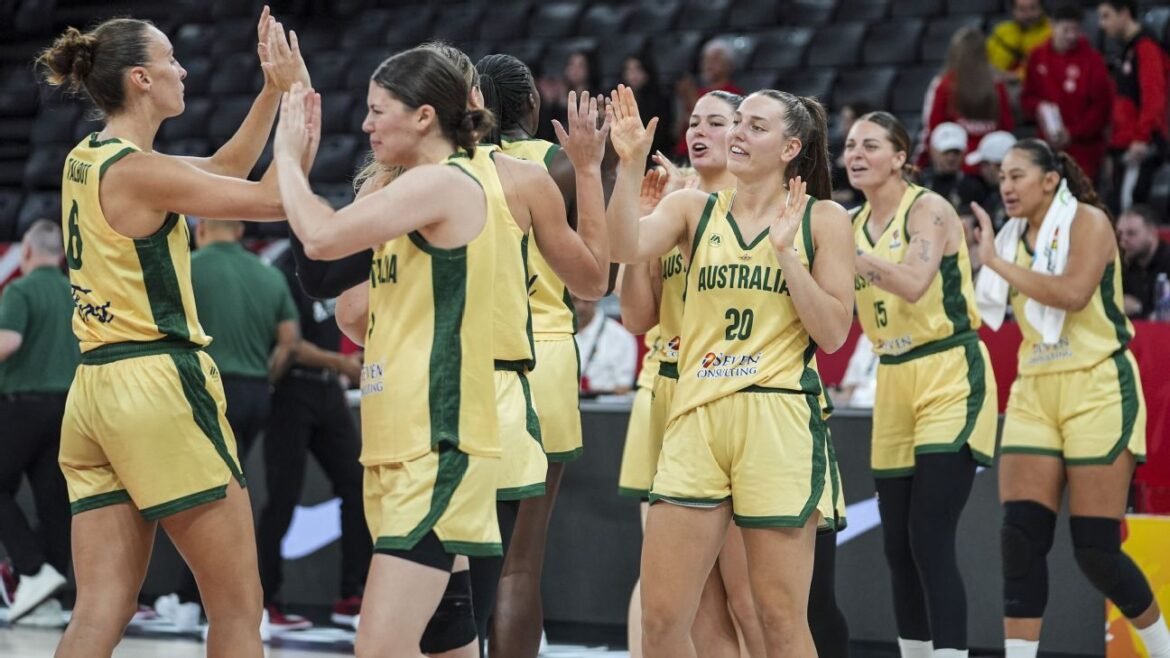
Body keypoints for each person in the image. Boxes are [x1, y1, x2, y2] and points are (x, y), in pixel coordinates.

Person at [37, 8, 309, 657]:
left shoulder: (90, 158)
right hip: (158, 384)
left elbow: (224, 165)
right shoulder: (140, 172)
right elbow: (275, 200)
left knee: (100, 609)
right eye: (171, 61)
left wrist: (270, 92)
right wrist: (299, 100)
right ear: (141, 79)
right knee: (238, 609)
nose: (182, 71)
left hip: (95, 391)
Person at [607, 82, 853, 656]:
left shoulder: (825, 219)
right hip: (696, 413)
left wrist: (787, 254)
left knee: (777, 618)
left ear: (790, 148)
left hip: (776, 414)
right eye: (737, 123)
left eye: (755, 127)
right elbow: (624, 247)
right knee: (662, 620)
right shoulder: (691, 207)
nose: (737, 133)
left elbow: (833, 333)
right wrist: (628, 165)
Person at [273, 45, 503, 657]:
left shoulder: (443, 182)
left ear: (424, 116)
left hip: (438, 437)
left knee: (378, 647)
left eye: (379, 111)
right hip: (399, 436)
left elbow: (322, 238)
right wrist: (301, 174)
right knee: (445, 638)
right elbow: (326, 280)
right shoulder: (407, 193)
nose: (366, 124)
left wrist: (287, 161)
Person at [971, 138, 1170, 658]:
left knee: (1096, 550)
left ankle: (1163, 649)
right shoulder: (1010, 237)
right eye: (1002, 177)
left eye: (1017, 175)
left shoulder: (1089, 222)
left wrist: (994, 262)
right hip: (1035, 387)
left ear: (1050, 180)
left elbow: (1073, 294)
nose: (1006, 186)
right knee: (1019, 539)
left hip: (1097, 385)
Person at [473, 52, 616, 658]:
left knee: (459, 548)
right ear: (532, 103)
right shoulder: (555, 164)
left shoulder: (452, 166)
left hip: (470, 357)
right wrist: (596, 167)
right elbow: (599, 276)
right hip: (543, 353)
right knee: (519, 561)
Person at [848, 111, 999, 658]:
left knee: (929, 535)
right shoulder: (848, 223)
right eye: (850, 145)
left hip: (947, 369)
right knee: (897, 546)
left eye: (870, 145)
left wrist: (848, 256)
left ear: (900, 157)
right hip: (891, 377)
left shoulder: (928, 209)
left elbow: (914, 283)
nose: (855, 154)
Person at [155, 217, 301, 631]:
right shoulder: (268, 274)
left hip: (204, 391)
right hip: (255, 394)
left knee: (200, 497)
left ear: (200, 231)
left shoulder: (187, 267)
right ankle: (205, 599)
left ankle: (194, 600)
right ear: (240, 232)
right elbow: (289, 341)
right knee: (226, 493)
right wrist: (265, 378)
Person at [256, 245, 369, 631]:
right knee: (282, 496)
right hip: (292, 390)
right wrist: (340, 362)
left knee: (357, 484)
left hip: (329, 392)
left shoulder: (340, 261)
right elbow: (289, 343)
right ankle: (265, 600)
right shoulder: (281, 269)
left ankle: (352, 594)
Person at [0, 219, 78, 623]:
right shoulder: (77, 294)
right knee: (55, 503)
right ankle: (47, 601)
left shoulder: (21, 290)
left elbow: (8, 342)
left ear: (27, 251)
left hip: (24, 405)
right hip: (72, 408)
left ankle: (32, 571)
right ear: (62, 255)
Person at [1021, 2, 1114, 183]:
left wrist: (1072, 132)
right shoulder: (1037, 56)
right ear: (1052, 25)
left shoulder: (1092, 60)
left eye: (1075, 30)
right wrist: (1039, 109)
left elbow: (1101, 108)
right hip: (1048, 147)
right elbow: (1027, 98)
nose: (1071, 36)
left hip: (1084, 150)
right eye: (1066, 30)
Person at [1099, 0, 1169, 213]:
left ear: (1124, 13)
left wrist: (1142, 137)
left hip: (1139, 147)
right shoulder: (1128, 50)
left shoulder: (1146, 47)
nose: (1102, 24)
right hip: (1125, 144)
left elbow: (1154, 97)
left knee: (1130, 213)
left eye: (1106, 16)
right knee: (1119, 209)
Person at [920, 27, 1015, 174]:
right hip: (990, 168)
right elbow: (1006, 127)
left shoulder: (944, 84)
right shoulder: (997, 85)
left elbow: (932, 129)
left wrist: (920, 164)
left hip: (957, 166)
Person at [673, 38, 743, 159]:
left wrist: (690, 98)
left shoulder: (733, 94)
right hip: (684, 153)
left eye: (715, 59)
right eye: (705, 59)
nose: (708, 64)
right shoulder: (699, 92)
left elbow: (710, 125)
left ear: (729, 65)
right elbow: (678, 131)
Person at [574, 294, 637, 396]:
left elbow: (624, 387)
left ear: (597, 299)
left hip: (604, 403)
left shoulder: (621, 336)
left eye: (586, 301)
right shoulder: (556, 333)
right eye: (574, 300)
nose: (580, 307)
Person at [959, 131, 1018, 231]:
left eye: (984, 164)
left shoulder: (1013, 199)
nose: (981, 170)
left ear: (999, 165)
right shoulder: (988, 192)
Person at [1118, 204, 1170, 318]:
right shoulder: (1121, 265)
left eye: (1131, 233)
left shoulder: (1167, 260)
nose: (1123, 240)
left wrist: (1138, 308)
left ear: (1152, 233)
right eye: (1120, 234)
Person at [623, 52, 674, 159]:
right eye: (629, 70)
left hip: (656, 154)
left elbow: (662, 134)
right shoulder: (621, 98)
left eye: (638, 69)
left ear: (647, 71)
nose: (633, 74)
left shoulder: (661, 99)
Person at [987, 0, 1052, 82]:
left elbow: (1053, 66)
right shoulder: (1001, 31)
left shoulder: (1053, 32)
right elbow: (985, 62)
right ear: (1013, 11)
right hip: (996, 84)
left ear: (1042, 9)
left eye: (1033, 8)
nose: (1028, 15)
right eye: (1021, 9)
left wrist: (1015, 76)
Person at [918, 122, 968, 208]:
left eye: (956, 152)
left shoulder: (973, 188)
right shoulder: (918, 183)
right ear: (932, 151)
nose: (951, 158)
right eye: (946, 152)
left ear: (964, 153)